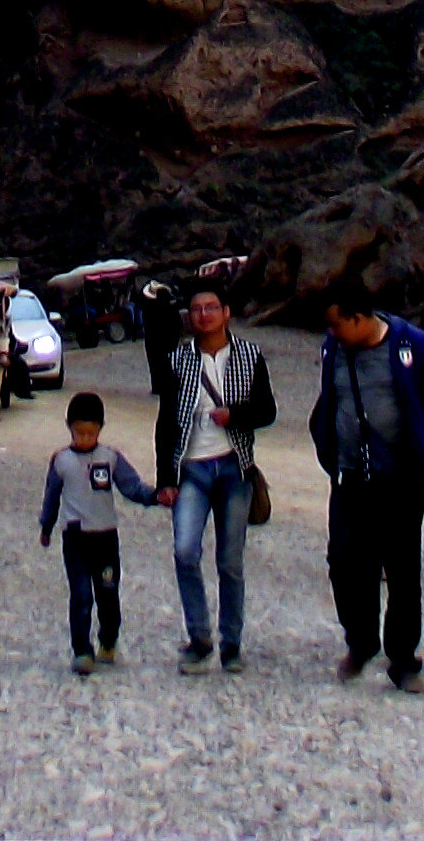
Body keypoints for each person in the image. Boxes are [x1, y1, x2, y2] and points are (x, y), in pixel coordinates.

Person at [309, 283, 424, 693]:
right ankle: (360, 641)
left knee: (402, 569)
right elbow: (329, 400)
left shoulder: (409, 343)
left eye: (338, 324)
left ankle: (403, 659)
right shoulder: (333, 348)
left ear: (359, 318)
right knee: (343, 560)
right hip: (349, 473)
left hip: (401, 477)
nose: (332, 331)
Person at [156, 283, 274, 671]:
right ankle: (200, 636)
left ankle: (232, 643)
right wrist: (164, 478)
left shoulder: (250, 356)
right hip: (190, 468)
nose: (203, 315)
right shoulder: (176, 360)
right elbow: (166, 421)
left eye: (210, 307)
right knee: (185, 551)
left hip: (232, 466)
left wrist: (235, 415)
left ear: (226, 312)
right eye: (196, 309)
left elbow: (267, 411)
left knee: (230, 560)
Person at [38, 388, 162, 675]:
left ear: (100, 430)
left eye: (90, 433)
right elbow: (51, 495)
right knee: (81, 594)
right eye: (79, 433)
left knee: (108, 592)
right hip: (76, 539)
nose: (84, 439)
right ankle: (82, 648)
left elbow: (132, 486)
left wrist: (156, 496)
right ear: (70, 429)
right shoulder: (61, 461)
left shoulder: (111, 458)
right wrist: (46, 525)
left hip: (106, 537)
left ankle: (108, 638)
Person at [137, 275, 181, 403]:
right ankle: (168, 386)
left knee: (155, 364)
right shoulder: (171, 309)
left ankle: (157, 387)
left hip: (153, 341)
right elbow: (177, 326)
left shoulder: (149, 309)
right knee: (168, 364)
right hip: (168, 342)